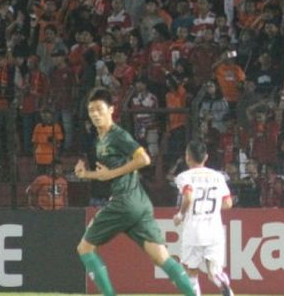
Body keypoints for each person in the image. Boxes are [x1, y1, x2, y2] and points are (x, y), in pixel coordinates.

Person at [74, 88, 195, 296]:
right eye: (91, 110)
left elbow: (144, 159)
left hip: (124, 201)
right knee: (161, 257)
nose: (94, 114)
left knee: (84, 248)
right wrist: (87, 174)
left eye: (99, 109)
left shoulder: (117, 135)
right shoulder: (100, 140)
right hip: (139, 202)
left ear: (111, 110)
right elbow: (109, 174)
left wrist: (110, 173)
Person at [173, 140, 235, 296]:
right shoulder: (218, 177)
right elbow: (228, 203)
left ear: (187, 157)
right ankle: (224, 285)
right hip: (214, 231)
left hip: (193, 231)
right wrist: (212, 207)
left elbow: (188, 196)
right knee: (214, 272)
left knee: (191, 272)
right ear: (206, 157)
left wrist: (180, 215)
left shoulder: (183, 177)